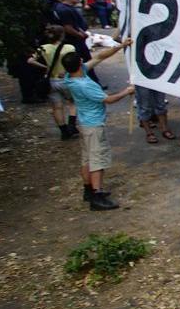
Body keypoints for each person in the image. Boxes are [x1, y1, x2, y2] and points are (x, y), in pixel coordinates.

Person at [53, 43, 134, 211]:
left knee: (87, 159)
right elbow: (108, 99)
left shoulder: (71, 76)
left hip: (84, 122)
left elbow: (100, 56)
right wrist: (127, 91)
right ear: (80, 62)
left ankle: (88, 190)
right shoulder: (85, 85)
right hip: (93, 124)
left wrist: (121, 46)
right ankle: (96, 196)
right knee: (97, 160)